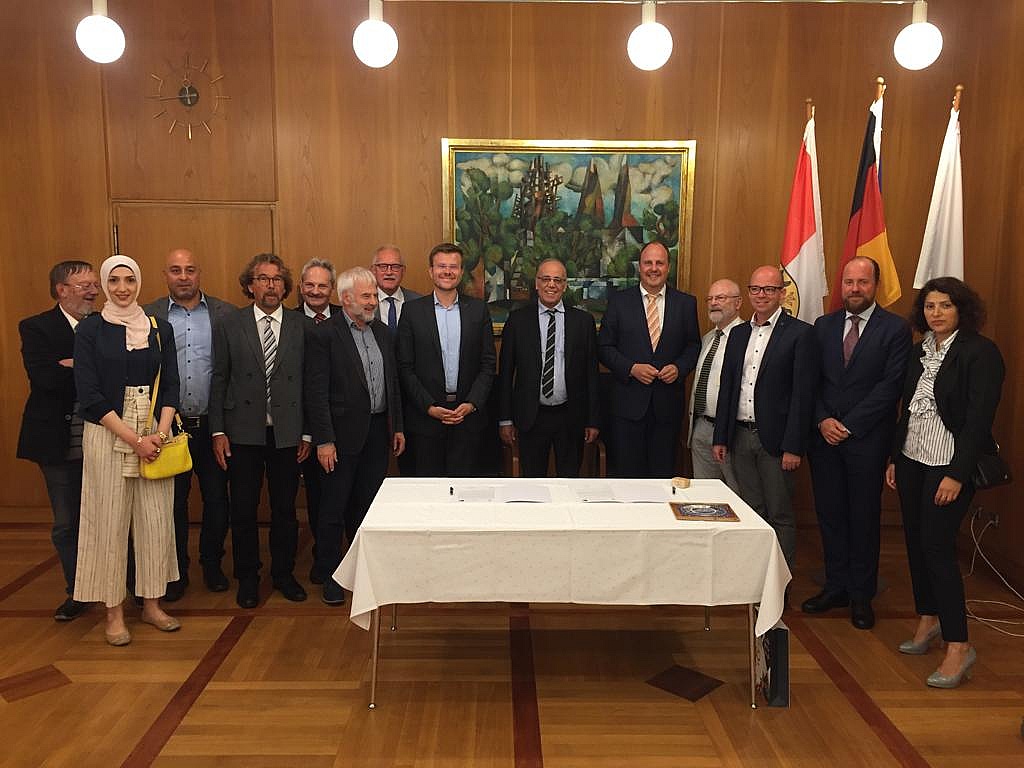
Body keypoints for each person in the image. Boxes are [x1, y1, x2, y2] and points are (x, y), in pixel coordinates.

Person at [885, 277, 1004, 688]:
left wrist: (957, 473)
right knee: (916, 543)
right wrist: (895, 457)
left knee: (937, 548)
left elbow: (978, 420)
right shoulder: (920, 350)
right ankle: (928, 617)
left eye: (945, 305)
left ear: (962, 310)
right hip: (912, 459)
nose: (936, 313)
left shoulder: (980, 352)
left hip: (948, 465)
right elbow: (907, 409)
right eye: (930, 306)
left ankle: (959, 644)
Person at [73, 255, 181, 646]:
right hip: (108, 431)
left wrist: (159, 435)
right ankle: (114, 612)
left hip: (154, 433)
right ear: (104, 285)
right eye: (115, 280)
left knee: (156, 522)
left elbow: (171, 385)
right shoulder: (90, 330)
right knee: (109, 524)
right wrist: (133, 440)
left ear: (139, 283)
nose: (122, 288)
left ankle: (152, 604)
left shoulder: (159, 328)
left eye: (130, 280)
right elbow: (89, 393)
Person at [803, 257, 911, 629]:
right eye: (849, 282)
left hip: (866, 441)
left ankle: (862, 595)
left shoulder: (895, 329)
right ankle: (836, 587)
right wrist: (822, 419)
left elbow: (891, 387)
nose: (854, 288)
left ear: (875, 285)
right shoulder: (823, 326)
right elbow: (811, 381)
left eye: (862, 282)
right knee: (830, 515)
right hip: (824, 439)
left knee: (863, 518)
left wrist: (849, 425)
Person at [210, 253, 312, 608]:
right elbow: (219, 378)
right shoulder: (229, 324)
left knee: (285, 509)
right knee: (243, 509)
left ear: (285, 287)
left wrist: (308, 433)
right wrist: (217, 431)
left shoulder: (302, 325)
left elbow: (311, 383)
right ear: (249, 286)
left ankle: (283, 574)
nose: (270, 285)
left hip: (288, 433)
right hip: (242, 432)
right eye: (263, 279)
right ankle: (248, 577)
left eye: (277, 279)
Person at [305, 267, 405, 605]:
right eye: (366, 296)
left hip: (377, 433)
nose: (373, 301)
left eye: (374, 295)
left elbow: (393, 384)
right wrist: (324, 440)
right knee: (334, 508)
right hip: (339, 437)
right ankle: (331, 574)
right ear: (346, 298)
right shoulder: (325, 335)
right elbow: (316, 392)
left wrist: (397, 426)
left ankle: (361, 571)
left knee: (367, 507)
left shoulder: (383, 332)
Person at [144, 248, 236, 599]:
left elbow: (229, 372)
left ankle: (212, 565)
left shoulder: (225, 314)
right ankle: (176, 571)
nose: (183, 277)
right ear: (165, 275)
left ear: (199, 274)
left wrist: (222, 426)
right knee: (172, 503)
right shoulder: (149, 315)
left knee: (217, 500)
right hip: (167, 427)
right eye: (175, 270)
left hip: (213, 425)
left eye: (190, 270)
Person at [712, 265, 817, 572]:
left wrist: (793, 446)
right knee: (752, 510)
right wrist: (721, 436)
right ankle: (756, 577)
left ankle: (779, 583)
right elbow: (728, 387)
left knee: (780, 513)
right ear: (748, 293)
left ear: (781, 294)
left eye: (769, 289)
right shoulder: (738, 333)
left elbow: (803, 395)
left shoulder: (800, 334)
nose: (762, 295)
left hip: (776, 442)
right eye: (756, 289)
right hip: (740, 437)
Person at [17, 260, 100, 621]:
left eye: (95, 285)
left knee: (107, 518)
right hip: (57, 440)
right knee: (67, 522)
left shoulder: (106, 325)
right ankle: (78, 591)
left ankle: (121, 585)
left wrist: (72, 364)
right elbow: (46, 380)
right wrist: (87, 368)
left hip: (102, 437)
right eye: (84, 286)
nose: (93, 292)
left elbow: (118, 377)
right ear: (61, 290)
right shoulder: (36, 327)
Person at [597, 241, 700, 477]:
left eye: (659, 263)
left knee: (662, 478)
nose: (654, 268)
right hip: (627, 408)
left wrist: (679, 368)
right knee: (627, 479)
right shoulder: (619, 302)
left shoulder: (686, 303)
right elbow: (604, 347)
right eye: (648, 263)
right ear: (640, 267)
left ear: (668, 267)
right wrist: (631, 368)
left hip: (667, 409)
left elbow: (693, 345)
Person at [397, 243, 495, 476]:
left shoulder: (478, 310)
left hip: (468, 419)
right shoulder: (412, 311)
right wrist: (429, 407)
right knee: (429, 490)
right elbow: (405, 367)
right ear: (431, 271)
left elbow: (488, 363)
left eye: (453, 267)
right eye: (441, 266)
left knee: (465, 490)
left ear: (461, 272)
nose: (447, 271)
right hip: (425, 420)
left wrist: (471, 403)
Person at [497, 259, 599, 477]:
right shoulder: (518, 321)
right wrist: (505, 419)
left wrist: (593, 420)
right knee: (533, 484)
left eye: (557, 280)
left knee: (570, 481)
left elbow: (592, 375)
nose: (551, 285)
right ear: (536, 283)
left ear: (565, 285)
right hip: (531, 417)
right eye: (545, 279)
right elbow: (505, 374)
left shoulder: (583, 322)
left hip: (571, 417)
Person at [293, 257, 340, 585]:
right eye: (309, 285)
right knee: (318, 496)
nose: (315, 291)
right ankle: (323, 558)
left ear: (332, 289)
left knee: (346, 498)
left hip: (346, 426)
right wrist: (309, 433)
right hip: (307, 429)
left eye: (322, 285)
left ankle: (345, 557)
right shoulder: (290, 322)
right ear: (300, 287)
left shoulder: (347, 317)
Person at [688, 279, 743, 485]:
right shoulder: (708, 338)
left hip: (731, 431)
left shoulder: (747, 337)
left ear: (738, 303)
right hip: (702, 426)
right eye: (710, 299)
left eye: (720, 298)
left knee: (737, 492)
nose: (713, 303)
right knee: (705, 494)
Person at [372, 244, 422, 337]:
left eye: (395, 267)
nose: (389, 272)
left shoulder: (418, 302)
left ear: (403, 271)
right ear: (374, 270)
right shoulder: (363, 303)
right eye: (383, 266)